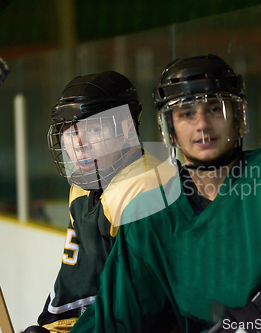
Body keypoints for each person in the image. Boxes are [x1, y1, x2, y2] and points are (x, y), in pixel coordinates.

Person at [69, 54, 261, 333]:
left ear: (237, 117)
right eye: (187, 113)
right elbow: (115, 317)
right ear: (170, 127)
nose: (202, 124)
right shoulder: (148, 216)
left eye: (215, 109)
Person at [24, 72, 178, 333]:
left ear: (127, 128)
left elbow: (140, 310)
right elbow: (82, 283)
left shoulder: (148, 188)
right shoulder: (82, 187)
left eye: (93, 129)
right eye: (69, 131)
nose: (78, 144)